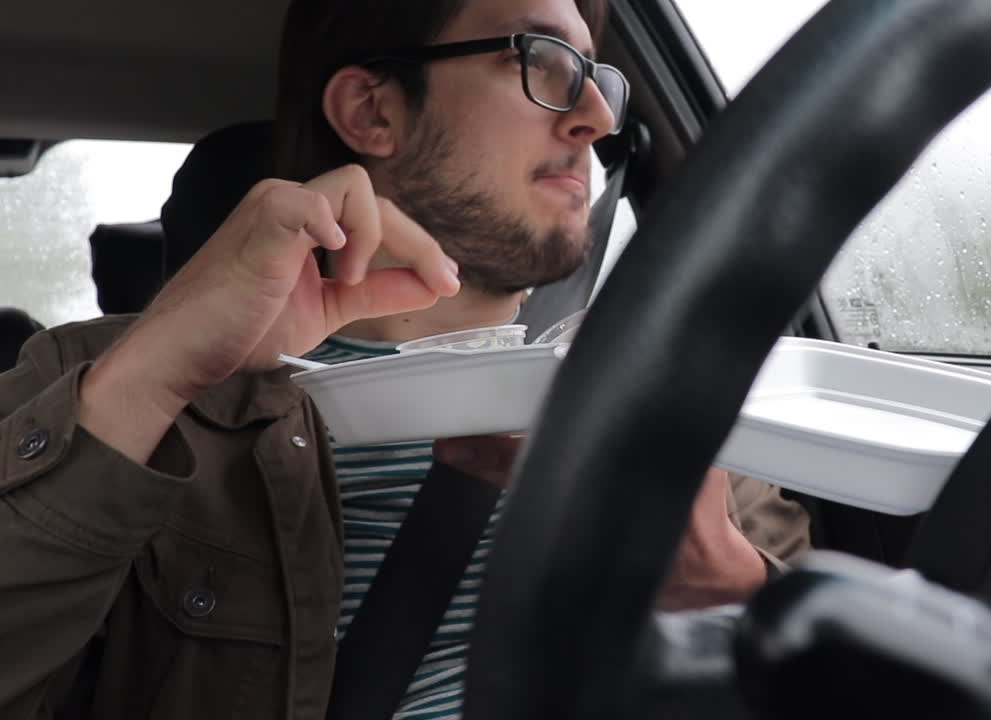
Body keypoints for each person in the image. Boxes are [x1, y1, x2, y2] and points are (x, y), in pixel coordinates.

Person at [0, 0, 809, 717]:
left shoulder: (686, 406)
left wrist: (736, 589)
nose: (594, 116)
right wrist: (157, 368)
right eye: (543, 62)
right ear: (372, 110)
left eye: (594, 77)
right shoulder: (102, 386)